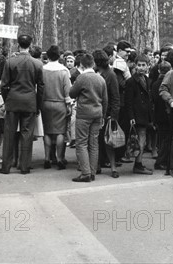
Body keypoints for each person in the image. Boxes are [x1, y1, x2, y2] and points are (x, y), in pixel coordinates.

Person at [0, 34, 44, 175]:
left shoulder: (10, 62)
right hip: (30, 101)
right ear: (30, 46)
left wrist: (7, 100)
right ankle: (24, 166)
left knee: (9, 134)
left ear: (18, 45)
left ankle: (6, 166)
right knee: (27, 134)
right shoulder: (37, 64)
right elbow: (41, 87)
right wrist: (37, 104)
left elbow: (4, 85)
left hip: (13, 100)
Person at [69, 53, 108, 182]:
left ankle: (85, 172)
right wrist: (103, 115)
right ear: (93, 64)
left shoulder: (81, 78)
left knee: (81, 143)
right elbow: (105, 99)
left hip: (84, 114)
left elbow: (72, 93)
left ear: (81, 64)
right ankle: (93, 171)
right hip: (97, 113)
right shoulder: (100, 79)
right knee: (94, 143)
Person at [41, 45, 73, 170]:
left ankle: (47, 158)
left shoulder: (42, 69)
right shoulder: (64, 71)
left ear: (48, 56)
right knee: (60, 132)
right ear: (59, 56)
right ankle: (59, 158)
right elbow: (67, 91)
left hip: (46, 103)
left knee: (47, 131)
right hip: (60, 104)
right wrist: (69, 105)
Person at [124, 54, 154, 175]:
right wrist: (131, 116)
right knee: (140, 140)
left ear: (148, 66)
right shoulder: (131, 81)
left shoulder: (147, 80)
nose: (141, 67)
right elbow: (128, 101)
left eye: (144, 65)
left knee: (143, 139)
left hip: (145, 114)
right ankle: (138, 164)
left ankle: (139, 162)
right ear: (135, 66)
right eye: (139, 65)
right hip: (137, 115)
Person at [94, 49, 121, 178]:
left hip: (107, 113)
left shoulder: (111, 75)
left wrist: (114, 116)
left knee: (108, 142)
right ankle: (97, 165)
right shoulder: (96, 73)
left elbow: (116, 97)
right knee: (97, 141)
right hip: (97, 112)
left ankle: (113, 167)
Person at [151, 61, 171, 171]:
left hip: (158, 114)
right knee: (166, 139)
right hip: (165, 114)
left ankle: (161, 159)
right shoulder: (167, 83)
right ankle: (161, 161)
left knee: (162, 138)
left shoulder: (154, 84)